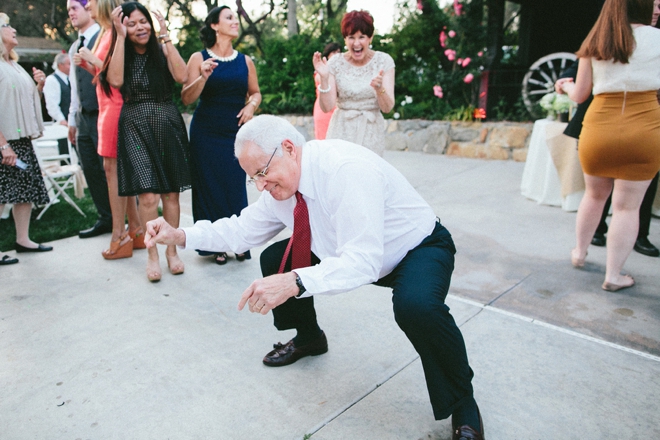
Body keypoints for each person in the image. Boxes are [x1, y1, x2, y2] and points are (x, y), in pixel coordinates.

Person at [144, 115, 485, 440]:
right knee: (276, 258)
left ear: (290, 148)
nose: (261, 186)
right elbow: (241, 231)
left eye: (262, 172)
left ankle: (462, 403)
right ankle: (309, 337)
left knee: (416, 306)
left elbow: (363, 261)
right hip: (346, 248)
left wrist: (295, 281)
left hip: (415, 248)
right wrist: (181, 235)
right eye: (253, 178)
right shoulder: (279, 186)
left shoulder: (344, 170)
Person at [557, 0, 660, 291]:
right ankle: (614, 275)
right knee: (627, 208)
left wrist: (564, 86)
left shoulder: (598, 39)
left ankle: (579, 253)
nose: (659, 8)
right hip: (645, 130)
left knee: (594, 195)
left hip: (599, 128)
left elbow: (579, 95)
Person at [102, 2, 191, 281]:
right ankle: (152, 254)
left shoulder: (162, 48)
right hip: (135, 127)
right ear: (123, 27)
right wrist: (117, 35)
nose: (140, 27)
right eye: (132, 23)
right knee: (148, 195)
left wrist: (165, 36)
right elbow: (115, 80)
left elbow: (182, 76)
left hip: (166, 124)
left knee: (171, 195)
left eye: (143, 22)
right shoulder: (120, 52)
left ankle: (172, 251)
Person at [181, 6, 261, 265]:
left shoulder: (245, 61)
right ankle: (213, 244)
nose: (235, 22)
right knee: (209, 187)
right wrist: (202, 77)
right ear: (215, 25)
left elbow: (256, 93)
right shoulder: (198, 58)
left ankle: (238, 241)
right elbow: (186, 98)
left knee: (234, 186)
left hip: (234, 134)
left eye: (235, 19)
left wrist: (251, 106)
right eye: (229, 18)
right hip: (206, 132)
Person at [557, 60, 660, 258]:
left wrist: (567, 86)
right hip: (617, 122)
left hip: (636, 123)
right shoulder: (604, 38)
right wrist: (566, 80)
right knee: (617, 201)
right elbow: (577, 69)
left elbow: (578, 93)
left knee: (608, 195)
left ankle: (637, 237)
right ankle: (599, 242)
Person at [75, 0, 143, 260]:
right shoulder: (105, 31)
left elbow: (119, 74)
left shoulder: (116, 30)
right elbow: (100, 73)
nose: (87, 4)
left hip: (116, 105)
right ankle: (135, 229)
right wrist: (88, 63)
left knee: (113, 170)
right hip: (105, 104)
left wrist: (93, 59)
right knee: (116, 170)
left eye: (90, 0)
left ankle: (119, 235)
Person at [0, 13, 54, 256]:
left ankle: (23, 240)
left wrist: (39, 87)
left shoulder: (13, 64)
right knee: (1, 195)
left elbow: (24, 106)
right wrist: (3, 146)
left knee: (24, 190)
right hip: (4, 141)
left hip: (19, 140)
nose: (13, 29)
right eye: (7, 24)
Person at [312, 10, 395, 156]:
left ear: (370, 38)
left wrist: (379, 89)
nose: (356, 43)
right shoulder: (335, 62)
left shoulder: (384, 61)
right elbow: (327, 107)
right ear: (345, 39)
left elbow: (387, 108)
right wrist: (324, 79)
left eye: (361, 37)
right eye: (351, 37)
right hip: (341, 131)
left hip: (371, 133)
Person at [67, 0, 113, 239]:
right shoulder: (75, 45)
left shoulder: (106, 35)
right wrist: (72, 120)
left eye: (74, 8)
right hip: (83, 116)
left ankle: (127, 218)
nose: (70, 13)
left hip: (105, 111)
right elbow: (74, 86)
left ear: (88, 8)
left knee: (111, 169)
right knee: (91, 170)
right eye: (68, 11)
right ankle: (105, 218)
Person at [43, 52, 72, 160]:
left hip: (73, 120)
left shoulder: (70, 79)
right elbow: (51, 104)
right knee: (65, 150)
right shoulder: (52, 80)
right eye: (69, 64)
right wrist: (61, 120)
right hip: (63, 122)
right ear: (60, 65)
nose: (71, 67)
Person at [313, 42, 340, 140]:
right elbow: (320, 80)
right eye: (333, 52)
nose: (336, 54)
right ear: (328, 55)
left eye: (338, 52)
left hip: (338, 108)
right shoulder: (321, 69)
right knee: (324, 139)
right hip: (323, 108)